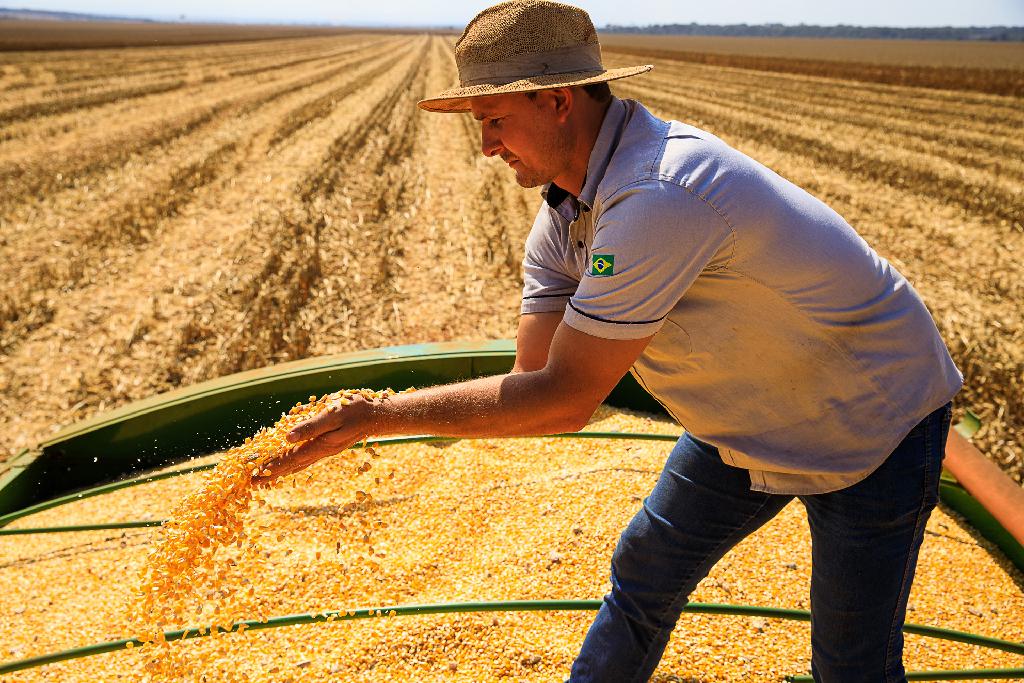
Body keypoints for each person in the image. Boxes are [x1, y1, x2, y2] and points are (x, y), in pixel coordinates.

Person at [257, 1, 963, 680]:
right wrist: (380, 417)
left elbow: (564, 401)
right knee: (644, 571)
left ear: (559, 101)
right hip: (747, 420)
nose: (485, 145)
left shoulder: (660, 192)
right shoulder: (565, 218)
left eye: (495, 118)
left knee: (850, 661)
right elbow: (536, 378)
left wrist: (377, 417)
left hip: (873, 417)